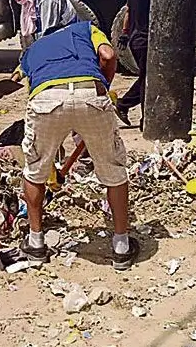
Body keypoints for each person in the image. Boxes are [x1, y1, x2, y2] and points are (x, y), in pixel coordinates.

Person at [15, 20, 139, 270]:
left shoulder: (33, 49)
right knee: (113, 171)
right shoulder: (86, 29)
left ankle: (36, 244)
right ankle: (122, 247)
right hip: (89, 93)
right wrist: (104, 85)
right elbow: (108, 54)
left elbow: (25, 82)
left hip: (46, 96)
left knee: (35, 170)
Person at [116, 0, 151, 127]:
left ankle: (124, 104)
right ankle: (129, 108)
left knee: (146, 77)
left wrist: (124, 33)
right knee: (147, 81)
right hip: (145, 40)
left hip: (134, 38)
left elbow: (128, 10)